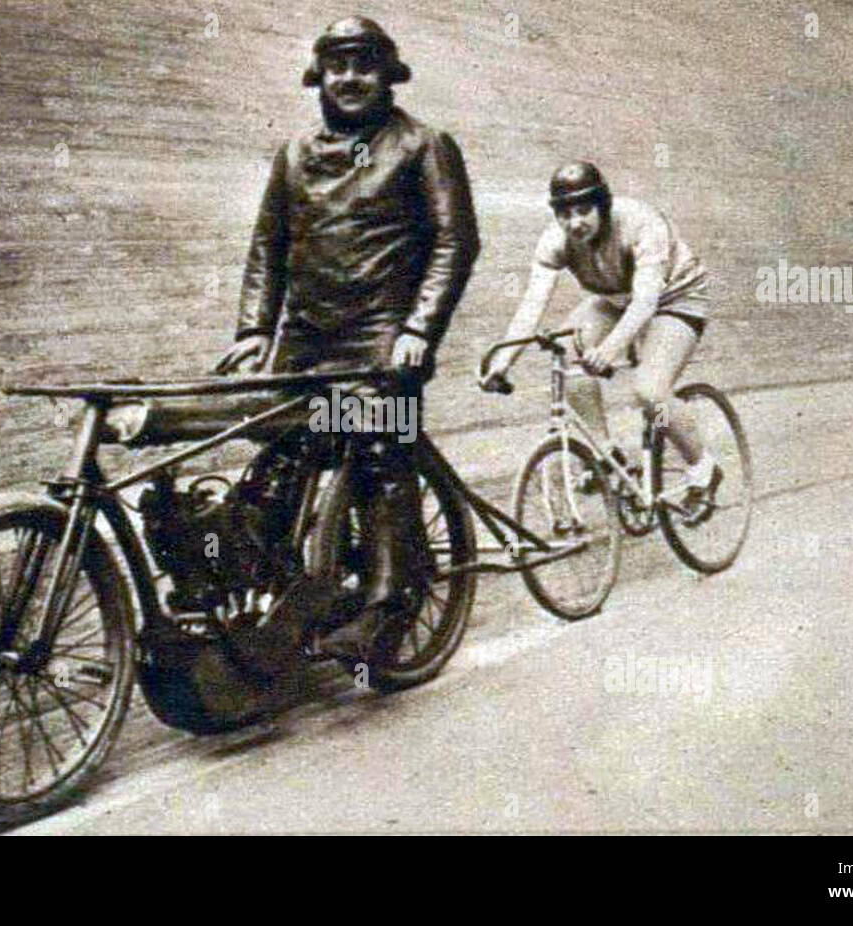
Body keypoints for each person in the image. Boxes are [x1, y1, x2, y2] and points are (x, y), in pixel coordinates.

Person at [217, 16, 480, 660]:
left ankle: (390, 604)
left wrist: (420, 328)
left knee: (380, 453)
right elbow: (267, 248)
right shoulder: (294, 155)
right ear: (320, 76)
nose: (351, 78)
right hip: (304, 341)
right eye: (338, 66)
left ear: (387, 73)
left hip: (382, 341)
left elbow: (456, 241)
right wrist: (254, 332)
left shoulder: (424, 146)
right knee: (276, 458)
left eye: (364, 65)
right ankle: (272, 599)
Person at [480, 161, 720, 498]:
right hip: (614, 298)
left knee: (650, 391)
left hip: (675, 297)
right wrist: (503, 361)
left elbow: (645, 303)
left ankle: (703, 467)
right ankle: (607, 455)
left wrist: (609, 350)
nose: (574, 223)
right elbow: (531, 307)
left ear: (602, 206)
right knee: (568, 357)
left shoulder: (640, 222)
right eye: (565, 214)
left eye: (583, 211)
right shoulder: (555, 241)